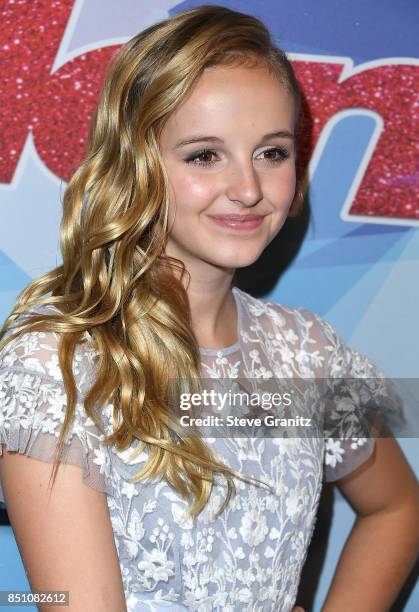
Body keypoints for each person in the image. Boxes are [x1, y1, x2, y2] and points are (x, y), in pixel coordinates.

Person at [0, 5, 418, 612]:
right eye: (204, 155)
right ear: (135, 163)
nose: (249, 188)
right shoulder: (57, 366)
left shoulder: (305, 355)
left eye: (272, 152)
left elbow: (397, 507)